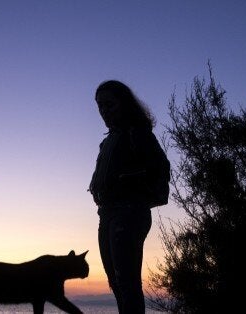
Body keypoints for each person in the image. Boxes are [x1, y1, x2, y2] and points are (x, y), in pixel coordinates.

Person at [89, 80, 170, 314]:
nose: (104, 110)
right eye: (100, 106)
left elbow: (160, 168)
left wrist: (127, 183)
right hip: (106, 214)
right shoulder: (109, 140)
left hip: (129, 212)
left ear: (124, 104)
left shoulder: (138, 132)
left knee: (126, 281)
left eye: (109, 104)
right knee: (116, 282)